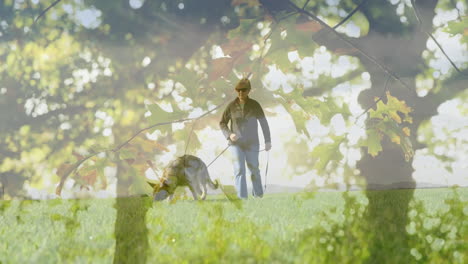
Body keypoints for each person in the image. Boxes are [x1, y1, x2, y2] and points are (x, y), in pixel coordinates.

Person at [220, 78, 271, 199]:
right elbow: (222, 123)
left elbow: (264, 123)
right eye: (238, 90)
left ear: (249, 90)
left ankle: (258, 196)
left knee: (254, 169)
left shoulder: (255, 105)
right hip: (236, 144)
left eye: (243, 90)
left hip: (252, 142)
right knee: (239, 170)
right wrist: (229, 134)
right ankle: (242, 198)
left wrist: (267, 141)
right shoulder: (231, 106)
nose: (240, 93)